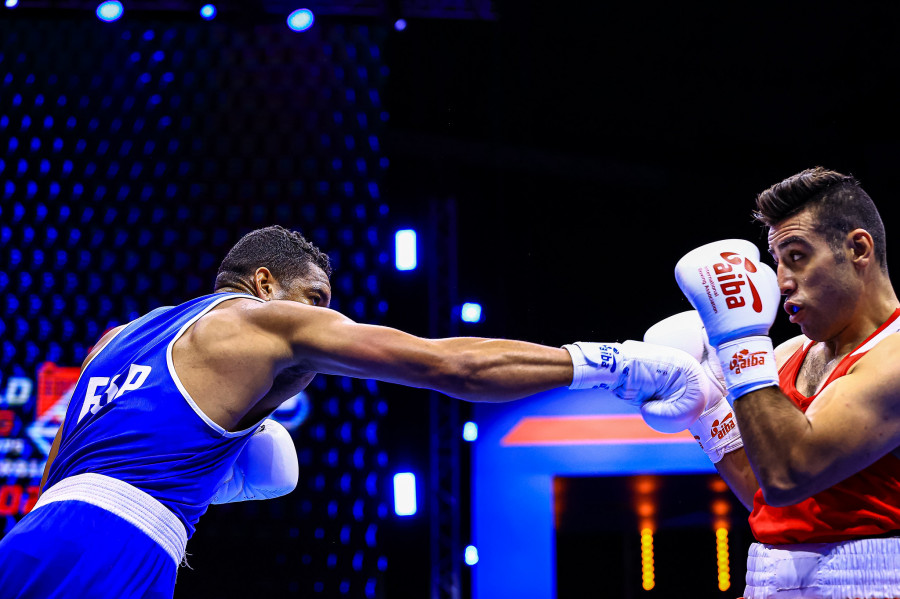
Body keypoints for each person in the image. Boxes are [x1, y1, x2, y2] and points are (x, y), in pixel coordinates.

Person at [0, 225, 712, 598]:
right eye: (318, 301)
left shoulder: (117, 338)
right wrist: (615, 364)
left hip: (33, 539)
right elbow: (448, 364)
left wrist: (201, 478)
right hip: (111, 553)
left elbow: (67, 476)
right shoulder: (260, 321)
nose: (324, 321)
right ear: (264, 281)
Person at [665, 167, 900, 598]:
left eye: (797, 256)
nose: (780, 283)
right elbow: (771, 497)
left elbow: (789, 475)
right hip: (770, 577)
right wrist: (709, 416)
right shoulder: (786, 356)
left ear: (858, 249)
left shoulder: (896, 356)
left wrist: (738, 344)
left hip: (874, 580)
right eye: (776, 262)